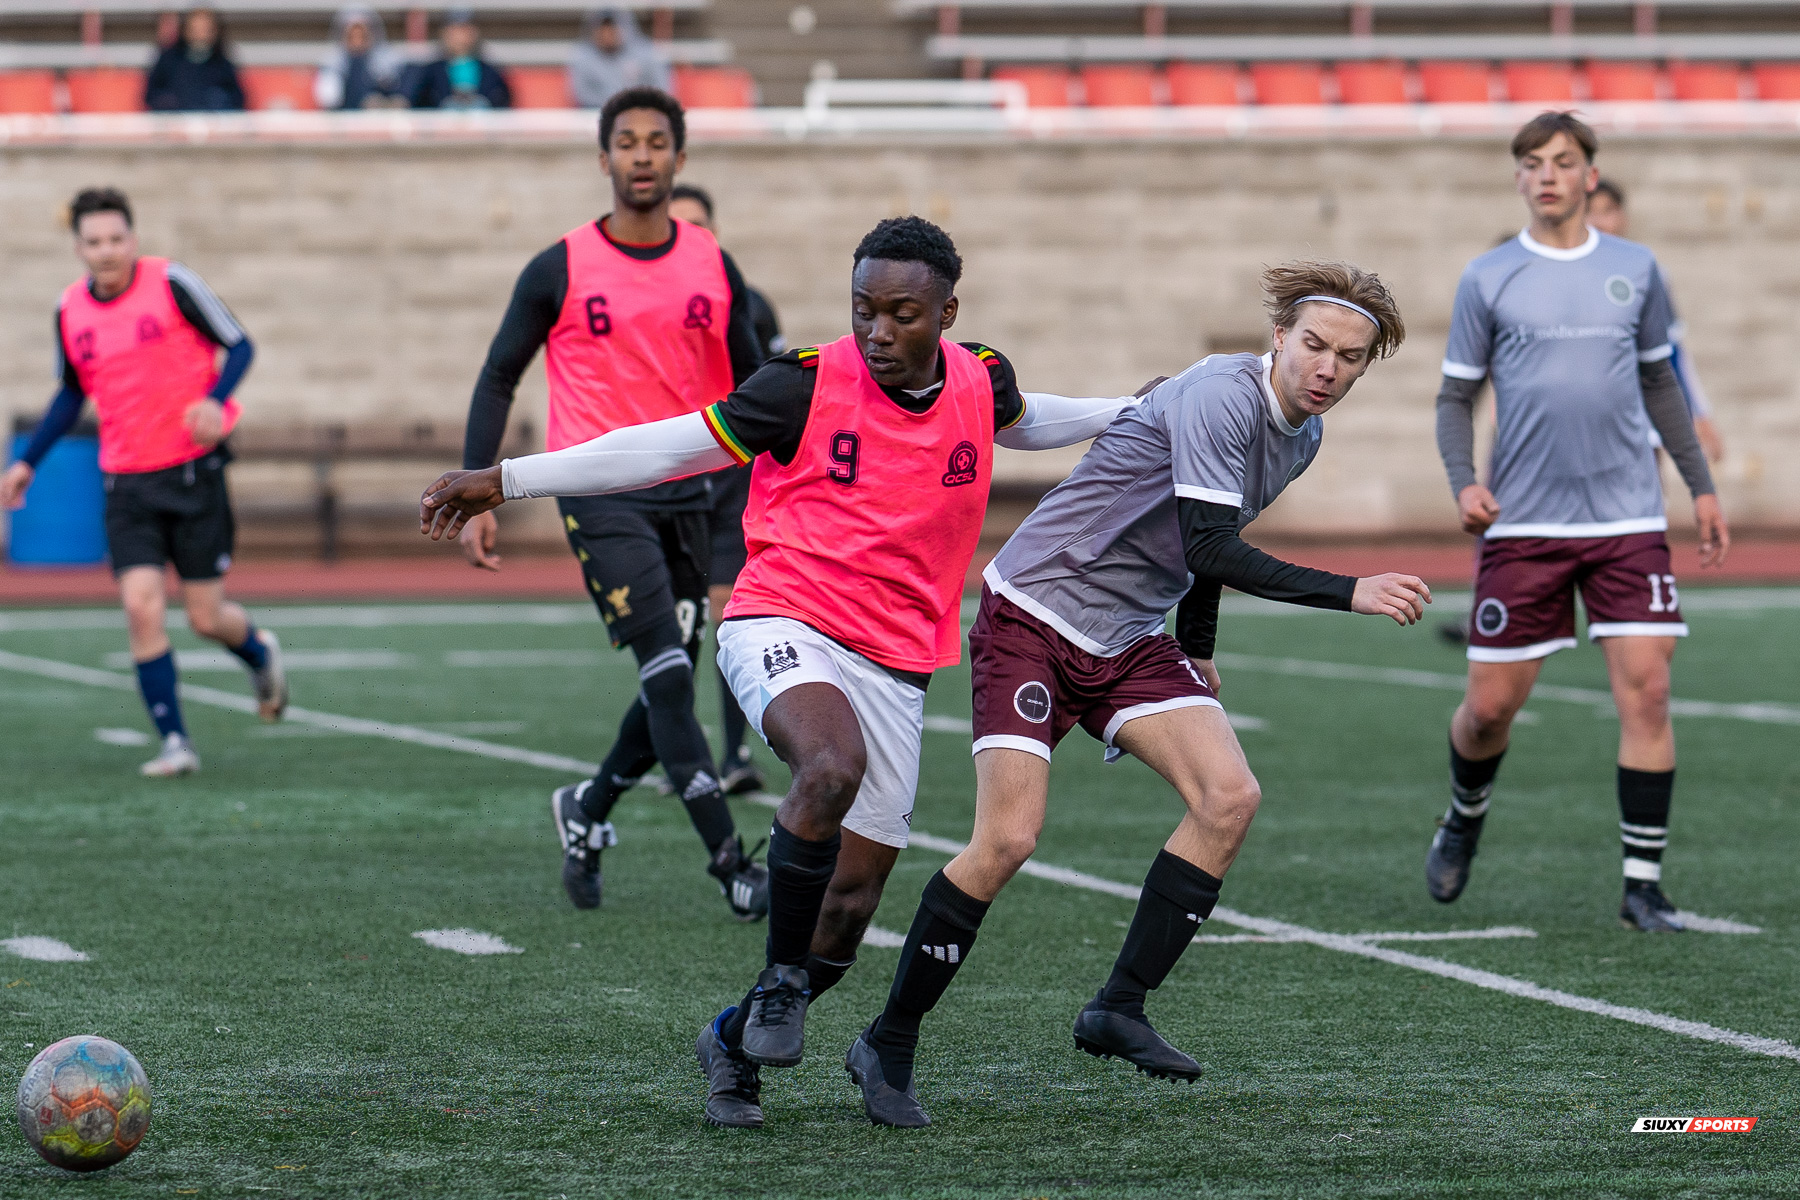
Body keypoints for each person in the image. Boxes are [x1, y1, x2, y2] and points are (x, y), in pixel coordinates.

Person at [419, 215, 1144, 1129]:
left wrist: (1138, 411)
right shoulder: (801, 382)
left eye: (902, 314)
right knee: (827, 767)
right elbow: (666, 444)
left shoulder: (978, 378)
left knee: (846, 913)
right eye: (864, 309)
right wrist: (511, 477)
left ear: (947, 313)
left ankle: (730, 1039)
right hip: (782, 617)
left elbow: (1030, 418)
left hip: (898, 659)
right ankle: (777, 987)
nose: (878, 331)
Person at [848, 262, 1429, 1127]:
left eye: (1348, 358)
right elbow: (1210, 544)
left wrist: (1195, 650)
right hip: (1035, 613)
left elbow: (1208, 540)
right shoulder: (1219, 395)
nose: (1326, 369)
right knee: (1008, 838)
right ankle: (887, 1041)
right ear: (1279, 338)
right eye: (1313, 345)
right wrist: (1353, 590)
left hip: (1126, 637)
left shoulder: (1301, 437)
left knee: (1228, 799)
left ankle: (1117, 1009)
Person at [456, 88, 766, 921]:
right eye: (624, 141)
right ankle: (731, 862)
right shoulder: (558, 266)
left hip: (694, 496)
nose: (640, 154)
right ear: (604, 160)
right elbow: (497, 375)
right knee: (668, 676)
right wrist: (477, 484)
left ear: (678, 159)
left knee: (670, 674)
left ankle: (587, 809)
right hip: (598, 493)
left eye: (656, 142)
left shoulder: (712, 263)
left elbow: (755, 389)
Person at [1427, 113, 1728, 933]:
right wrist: (1463, 483)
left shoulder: (1637, 268)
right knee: (1489, 710)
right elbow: (1456, 396)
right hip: (1523, 525)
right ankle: (1463, 816)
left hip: (1628, 517)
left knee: (1650, 692)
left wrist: (1698, 488)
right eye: (1532, 163)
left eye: (1563, 161)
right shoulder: (1489, 275)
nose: (1548, 174)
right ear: (1520, 178)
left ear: (1590, 174)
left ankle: (1642, 885)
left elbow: (1662, 385)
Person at [1, 188, 285, 776]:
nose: (107, 251)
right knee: (140, 607)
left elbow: (240, 345)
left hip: (191, 474)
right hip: (124, 482)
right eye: (94, 241)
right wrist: (30, 459)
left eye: (116, 238)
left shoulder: (173, 282)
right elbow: (72, 391)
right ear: (78, 248)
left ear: (133, 238)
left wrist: (214, 399)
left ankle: (258, 651)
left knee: (206, 617)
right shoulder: (69, 310)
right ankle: (176, 743)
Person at [668, 182, 783, 795]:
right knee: (675, 623)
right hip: (670, 480)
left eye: (701, 228)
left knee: (725, 611)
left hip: (732, 478)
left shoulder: (747, 304)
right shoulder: (643, 307)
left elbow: (766, 390)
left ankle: (734, 756)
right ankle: (680, 757)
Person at [1586, 178, 1726, 463]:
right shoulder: (1567, 276)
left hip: (1640, 424)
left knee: (1648, 504)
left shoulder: (1648, 273)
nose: (1600, 221)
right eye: (1590, 211)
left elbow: (1671, 353)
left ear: (1623, 217)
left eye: (1608, 211)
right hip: (1586, 424)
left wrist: (1699, 414)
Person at [570, 7, 671, 111]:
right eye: (602, 29)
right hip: (598, 116)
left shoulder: (647, 54)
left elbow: (662, 89)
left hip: (641, 116)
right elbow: (582, 94)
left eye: (612, 28)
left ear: (626, 28)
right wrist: (614, 111)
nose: (607, 34)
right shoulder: (583, 57)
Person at [145, 8, 244, 112]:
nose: (200, 35)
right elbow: (151, 96)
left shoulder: (222, 63)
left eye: (206, 30)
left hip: (213, 124)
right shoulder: (168, 61)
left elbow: (237, 100)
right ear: (185, 30)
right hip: (175, 124)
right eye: (195, 29)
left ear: (215, 32)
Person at [408, 10, 511, 110]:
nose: (459, 36)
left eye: (464, 30)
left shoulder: (490, 71)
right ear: (445, 33)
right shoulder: (430, 72)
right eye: (454, 30)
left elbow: (501, 102)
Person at [314, 6, 406, 111]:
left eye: (362, 36)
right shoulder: (333, 62)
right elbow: (328, 99)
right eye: (352, 36)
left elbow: (392, 85)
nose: (357, 41)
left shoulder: (383, 58)